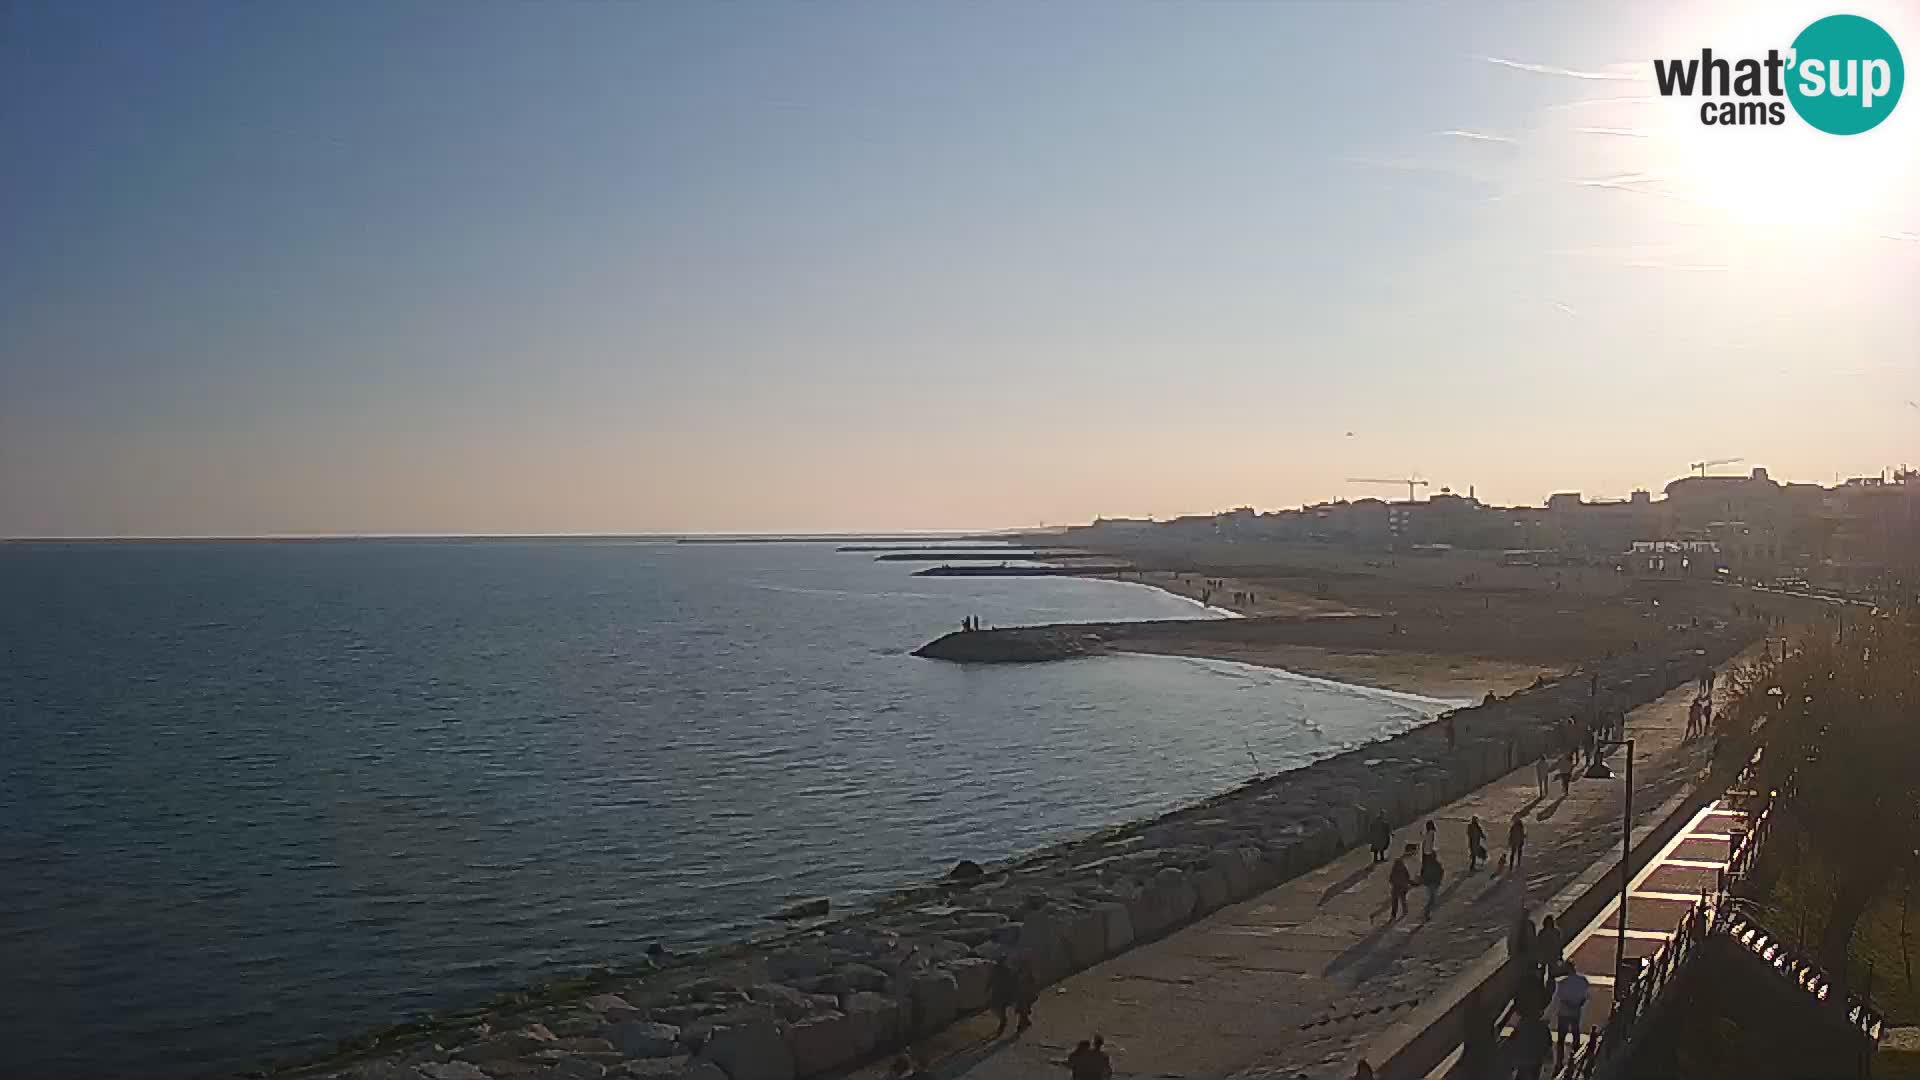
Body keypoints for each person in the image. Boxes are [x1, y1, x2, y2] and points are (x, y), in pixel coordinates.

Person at [1551, 965, 1592, 1068]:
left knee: (1561, 1038)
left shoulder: (1563, 982)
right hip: (1575, 1012)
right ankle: (1576, 1056)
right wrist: (1577, 1005)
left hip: (1564, 1013)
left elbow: (1561, 998)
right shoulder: (1583, 981)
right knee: (1575, 1034)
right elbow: (1585, 997)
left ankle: (1560, 1062)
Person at [989, 956, 1022, 1036]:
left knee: (1001, 1009)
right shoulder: (997, 969)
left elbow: (1013, 979)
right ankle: (1003, 1022)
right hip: (999, 992)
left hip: (1003, 993)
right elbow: (991, 979)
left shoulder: (1006, 970)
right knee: (998, 1009)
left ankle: (1002, 1024)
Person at [1388, 852, 1413, 920]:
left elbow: (1390, 879)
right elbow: (1408, 877)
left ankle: (1393, 915)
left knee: (1395, 902)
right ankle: (1404, 910)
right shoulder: (1404, 869)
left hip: (1396, 888)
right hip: (1402, 887)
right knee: (1403, 900)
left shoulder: (1394, 870)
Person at [1420, 847, 1444, 918]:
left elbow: (1423, 873)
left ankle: (1426, 912)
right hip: (1433, 883)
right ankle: (1426, 912)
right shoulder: (1436, 864)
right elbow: (1441, 872)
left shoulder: (1427, 864)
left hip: (1430, 883)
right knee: (1432, 899)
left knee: (1431, 899)